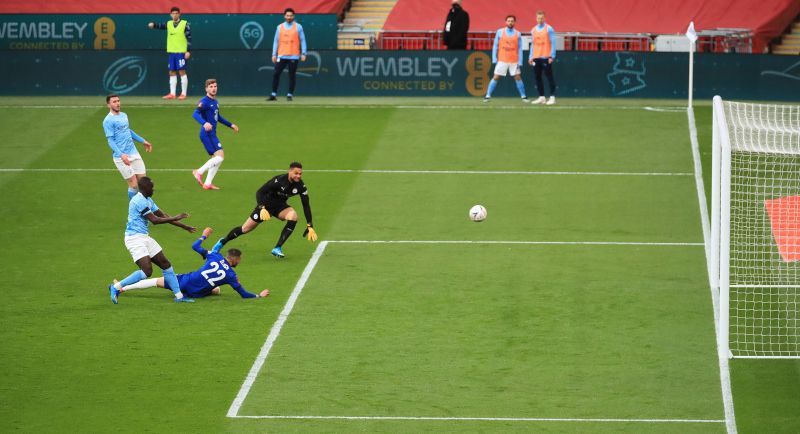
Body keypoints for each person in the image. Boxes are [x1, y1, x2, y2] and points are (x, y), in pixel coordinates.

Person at [107, 177, 197, 304]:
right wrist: (176, 217)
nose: (153, 189)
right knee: (147, 271)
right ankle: (115, 288)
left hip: (144, 237)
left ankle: (179, 296)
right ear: (145, 188)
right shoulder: (138, 200)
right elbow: (154, 220)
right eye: (152, 187)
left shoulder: (148, 200)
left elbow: (163, 215)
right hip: (134, 238)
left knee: (165, 264)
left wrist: (184, 226)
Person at [116, 227, 270, 300]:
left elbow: (195, 247)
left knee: (154, 281)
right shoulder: (231, 275)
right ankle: (121, 287)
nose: (240, 262)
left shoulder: (215, 256)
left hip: (185, 282)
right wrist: (259, 296)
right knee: (216, 289)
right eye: (240, 260)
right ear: (234, 259)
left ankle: (121, 288)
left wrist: (203, 236)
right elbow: (243, 294)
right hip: (197, 293)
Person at [212, 162, 317, 258]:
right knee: (245, 229)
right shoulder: (278, 181)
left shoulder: (300, 186)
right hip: (265, 205)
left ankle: (277, 248)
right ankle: (222, 242)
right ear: (289, 171)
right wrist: (262, 207)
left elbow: (306, 205)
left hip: (280, 207)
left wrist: (309, 225)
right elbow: (260, 192)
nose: (298, 176)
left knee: (293, 216)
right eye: (296, 173)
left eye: (300, 174)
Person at [103, 94, 154, 200]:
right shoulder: (108, 121)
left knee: (144, 183)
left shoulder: (124, 115)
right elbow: (110, 140)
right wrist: (121, 155)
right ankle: (133, 212)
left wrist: (143, 141)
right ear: (108, 105)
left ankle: (144, 209)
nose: (117, 103)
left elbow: (128, 131)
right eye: (114, 102)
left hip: (133, 153)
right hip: (121, 157)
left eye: (118, 101)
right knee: (134, 185)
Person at [191, 78, 239, 190]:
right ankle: (198, 172)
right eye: (211, 87)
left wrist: (230, 125)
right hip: (207, 134)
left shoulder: (215, 102)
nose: (213, 88)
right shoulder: (204, 101)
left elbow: (218, 118)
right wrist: (204, 123)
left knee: (216, 158)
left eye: (215, 86)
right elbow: (195, 114)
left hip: (212, 133)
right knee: (220, 157)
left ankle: (207, 184)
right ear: (206, 88)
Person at [148, 6, 192, 100]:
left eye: (176, 13)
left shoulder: (185, 24)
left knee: (182, 71)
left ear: (179, 14)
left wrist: (188, 51)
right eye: (173, 13)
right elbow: (161, 26)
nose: (175, 15)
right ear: (170, 15)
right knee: (171, 71)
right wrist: (153, 25)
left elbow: (189, 38)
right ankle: (172, 94)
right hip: (172, 52)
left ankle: (183, 94)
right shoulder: (169, 24)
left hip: (181, 52)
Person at [483, 15, 528, 103]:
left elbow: (519, 48)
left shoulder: (517, 34)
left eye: (512, 21)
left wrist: (520, 61)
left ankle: (524, 96)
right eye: (508, 21)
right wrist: (494, 58)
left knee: (518, 77)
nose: (510, 22)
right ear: (505, 22)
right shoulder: (500, 32)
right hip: (502, 59)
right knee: (496, 77)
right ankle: (487, 96)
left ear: (514, 22)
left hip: (514, 60)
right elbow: (495, 45)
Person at [268, 8, 307, 102]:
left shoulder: (298, 27)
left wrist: (304, 53)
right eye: (287, 15)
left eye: (291, 15)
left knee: (291, 75)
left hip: (293, 55)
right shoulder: (279, 27)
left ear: (293, 16)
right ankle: (273, 94)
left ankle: (289, 95)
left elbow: (303, 40)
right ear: (284, 16)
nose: (289, 17)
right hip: (281, 55)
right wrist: (274, 54)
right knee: (276, 74)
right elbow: (275, 41)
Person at [528, 10, 557, 105]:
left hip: (546, 56)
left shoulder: (549, 29)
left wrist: (551, 56)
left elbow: (553, 42)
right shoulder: (533, 30)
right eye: (538, 18)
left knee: (549, 77)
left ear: (544, 18)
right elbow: (532, 44)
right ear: (536, 18)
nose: (540, 20)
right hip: (536, 57)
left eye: (541, 18)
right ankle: (541, 97)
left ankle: (552, 97)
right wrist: (530, 56)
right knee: (537, 77)